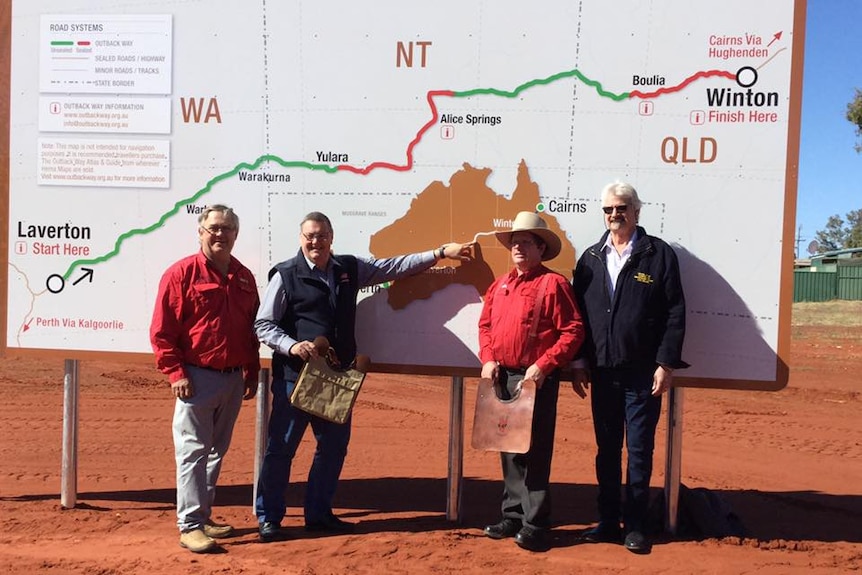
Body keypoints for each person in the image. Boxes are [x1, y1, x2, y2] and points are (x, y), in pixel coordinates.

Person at [254, 211, 474, 542]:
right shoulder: (285, 275)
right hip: (295, 378)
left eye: (322, 235)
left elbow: (394, 267)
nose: (316, 241)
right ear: (301, 239)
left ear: (331, 237)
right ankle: (269, 518)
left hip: (335, 378)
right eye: (310, 236)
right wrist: (291, 345)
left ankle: (319, 514)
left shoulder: (348, 268)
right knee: (281, 449)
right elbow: (264, 324)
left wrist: (440, 253)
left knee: (332, 448)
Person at [571, 181, 687, 554]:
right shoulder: (590, 257)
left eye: (621, 208)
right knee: (606, 450)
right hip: (602, 370)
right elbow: (579, 316)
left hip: (642, 373)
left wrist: (665, 362)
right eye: (608, 209)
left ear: (637, 211)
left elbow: (674, 311)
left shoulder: (658, 255)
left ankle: (635, 525)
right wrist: (579, 360)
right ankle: (607, 521)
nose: (614, 215)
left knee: (638, 449)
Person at [149, 204, 261, 554]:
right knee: (193, 452)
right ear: (200, 232)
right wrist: (175, 372)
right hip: (195, 379)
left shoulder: (243, 277)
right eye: (213, 227)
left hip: (231, 379)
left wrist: (251, 370)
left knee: (215, 452)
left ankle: (204, 515)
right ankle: (191, 525)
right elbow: (162, 331)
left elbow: (250, 331)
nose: (220, 234)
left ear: (235, 235)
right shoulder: (180, 274)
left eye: (227, 228)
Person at [477, 211, 585, 552]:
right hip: (503, 376)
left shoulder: (554, 285)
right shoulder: (501, 284)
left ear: (541, 248)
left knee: (534, 450)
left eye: (526, 242)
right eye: (515, 242)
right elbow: (486, 327)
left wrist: (543, 365)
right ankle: (512, 514)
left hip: (535, 379)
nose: (518, 247)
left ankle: (536, 522)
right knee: (508, 447)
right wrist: (488, 358)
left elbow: (573, 331)